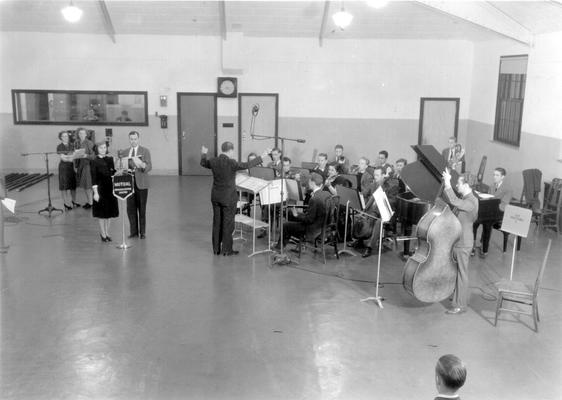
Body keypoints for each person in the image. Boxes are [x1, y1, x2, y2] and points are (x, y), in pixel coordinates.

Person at [201, 142, 270, 256]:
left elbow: (203, 163)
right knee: (228, 224)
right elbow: (247, 165)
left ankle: (216, 249)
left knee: (217, 222)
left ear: (222, 149)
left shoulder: (213, 161)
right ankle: (227, 250)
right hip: (228, 198)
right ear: (231, 150)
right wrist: (263, 155)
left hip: (216, 196)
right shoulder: (231, 163)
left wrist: (203, 153)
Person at [442, 168, 478, 314]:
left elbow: (454, 200)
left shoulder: (472, 201)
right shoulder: (466, 199)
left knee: (462, 273)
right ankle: (457, 297)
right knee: (457, 271)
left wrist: (447, 182)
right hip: (458, 241)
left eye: (459, 183)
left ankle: (460, 305)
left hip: (464, 243)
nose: (457, 186)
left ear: (467, 185)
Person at [275, 172, 330, 250]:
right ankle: (294, 244)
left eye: (309, 181)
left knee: (286, 226)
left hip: (312, 229)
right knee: (291, 215)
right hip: (323, 226)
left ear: (312, 182)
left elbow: (309, 220)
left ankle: (279, 248)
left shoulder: (314, 199)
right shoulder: (327, 194)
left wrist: (297, 215)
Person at [472, 167, 512, 257]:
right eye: (494, 174)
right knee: (474, 222)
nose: (494, 177)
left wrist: (492, 206)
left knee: (487, 224)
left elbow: (504, 205)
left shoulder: (508, 188)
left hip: (500, 213)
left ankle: (484, 250)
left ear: (503, 177)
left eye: (497, 175)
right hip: (489, 211)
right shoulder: (492, 186)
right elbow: (489, 198)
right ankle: (472, 246)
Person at [360, 166, 399, 258]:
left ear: (383, 175)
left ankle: (369, 247)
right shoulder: (377, 184)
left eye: (377, 175)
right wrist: (364, 210)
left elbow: (394, 201)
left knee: (378, 222)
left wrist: (383, 198)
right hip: (378, 209)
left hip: (389, 211)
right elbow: (372, 197)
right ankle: (360, 239)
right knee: (369, 216)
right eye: (374, 175)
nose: (375, 177)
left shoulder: (393, 185)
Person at [120, 131, 152, 239]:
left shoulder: (145, 151)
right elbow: (121, 168)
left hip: (141, 184)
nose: (133, 141)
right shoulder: (125, 152)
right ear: (129, 139)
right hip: (129, 184)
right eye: (131, 139)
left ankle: (142, 232)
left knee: (142, 209)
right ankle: (133, 232)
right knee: (130, 209)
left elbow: (149, 167)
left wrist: (143, 165)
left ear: (138, 139)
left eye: (135, 139)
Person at [91, 141, 119, 242]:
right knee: (102, 214)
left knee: (109, 213)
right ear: (97, 149)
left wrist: (119, 171)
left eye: (104, 147)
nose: (103, 149)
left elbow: (114, 172)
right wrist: (95, 193)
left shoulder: (110, 159)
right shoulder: (94, 161)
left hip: (110, 188)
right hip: (100, 189)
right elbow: (94, 178)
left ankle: (107, 232)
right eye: (100, 148)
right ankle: (102, 234)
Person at [56, 130, 78, 210]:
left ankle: (74, 201)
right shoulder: (59, 146)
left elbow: (75, 156)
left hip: (72, 167)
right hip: (64, 168)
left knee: (73, 186)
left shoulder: (72, 145)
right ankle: (66, 203)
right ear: (61, 138)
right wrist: (71, 157)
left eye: (67, 136)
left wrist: (71, 157)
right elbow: (64, 159)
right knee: (64, 186)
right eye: (64, 136)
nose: (66, 138)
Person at [74, 127, 95, 209]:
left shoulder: (89, 143)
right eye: (80, 133)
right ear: (78, 134)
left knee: (88, 186)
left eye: (83, 133)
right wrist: (75, 166)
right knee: (85, 186)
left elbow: (93, 156)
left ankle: (91, 203)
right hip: (80, 166)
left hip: (87, 166)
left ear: (86, 134)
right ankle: (90, 201)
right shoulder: (77, 143)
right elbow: (76, 156)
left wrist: (86, 155)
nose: (81, 135)